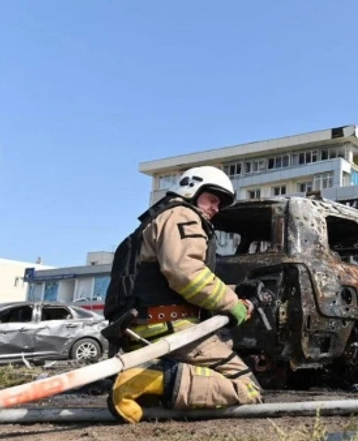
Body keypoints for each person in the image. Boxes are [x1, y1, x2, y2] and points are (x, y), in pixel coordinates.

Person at [105, 165, 262, 424]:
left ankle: (147, 385)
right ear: (192, 189)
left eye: (220, 203)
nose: (216, 208)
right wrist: (233, 303)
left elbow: (175, 279)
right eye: (212, 199)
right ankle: (149, 377)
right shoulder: (183, 215)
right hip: (171, 330)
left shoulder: (160, 218)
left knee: (193, 381)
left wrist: (233, 293)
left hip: (144, 328)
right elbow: (185, 273)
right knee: (248, 388)